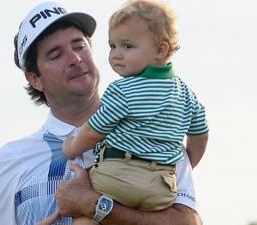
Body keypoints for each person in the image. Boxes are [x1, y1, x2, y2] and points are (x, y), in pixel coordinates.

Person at [0, 2, 203, 225]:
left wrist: (95, 205)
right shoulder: (9, 161)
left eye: (79, 46)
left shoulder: (157, 129)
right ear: (34, 79)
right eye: (56, 55)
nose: (75, 59)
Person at [61, 0, 209, 214]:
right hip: (161, 189)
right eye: (113, 46)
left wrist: (71, 147)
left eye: (127, 46)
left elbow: (94, 131)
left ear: (160, 50)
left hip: (117, 178)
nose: (116, 54)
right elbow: (200, 136)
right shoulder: (186, 94)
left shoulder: (123, 89)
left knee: (82, 209)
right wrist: (186, 164)